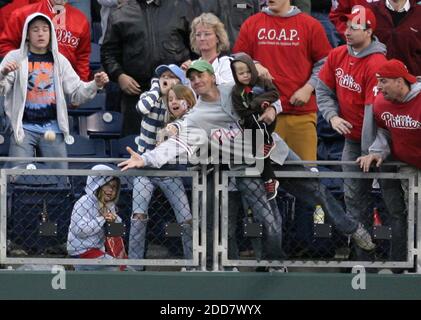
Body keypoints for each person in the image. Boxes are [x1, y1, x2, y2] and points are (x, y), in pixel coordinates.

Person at [119, 60, 376, 261]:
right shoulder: (196, 116)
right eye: (193, 78)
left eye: (201, 75)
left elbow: (274, 99)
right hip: (249, 168)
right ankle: (276, 264)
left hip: (276, 151)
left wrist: (272, 109)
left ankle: (354, 230)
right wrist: (145, 159)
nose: (197, 81)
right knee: (270, 222)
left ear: (212, 76)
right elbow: (177, 144)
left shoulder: (234, 91)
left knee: (317, 191)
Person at [316, 7, 404, 258]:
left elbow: (374, 116)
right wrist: (332, 116)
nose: (347, 31)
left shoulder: (376, 62)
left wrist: (370, 154)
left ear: (369, 31)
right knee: (354, 201)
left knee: (392, 205)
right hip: (353, 141)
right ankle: (362, 260)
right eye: (346, 25)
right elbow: (322, 90)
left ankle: (398, 263)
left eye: (355, 27)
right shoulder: (337, 54)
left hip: (384, 143)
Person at [0, 13, 109, 169]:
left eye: (45, 29)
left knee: (61, 178)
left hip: (53, 129)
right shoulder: (14, 57)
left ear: (51, 34)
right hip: (22, 129)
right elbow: (2, 90)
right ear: (27, 34)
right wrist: (2, 73)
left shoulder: (60, 60)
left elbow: (76, 93)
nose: (40, 33)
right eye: (35, 30)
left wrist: (94, 84)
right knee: (16, 176)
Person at [233, 0, 332, 162]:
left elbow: (326, 63)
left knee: (307, 178)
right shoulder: (252, 23)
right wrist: (254, 65)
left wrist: (308, 88)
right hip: (263, 116)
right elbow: (237, 57)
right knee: (265, 178)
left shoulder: (310, 25)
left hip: (300, 114)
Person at [129, 65, 193, 267]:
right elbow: (141, 108)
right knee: (138, 217)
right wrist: (158, 89)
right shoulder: (152, 96)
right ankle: (134, 265)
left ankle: (191, 262)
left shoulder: (179, 102)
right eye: (163, 76)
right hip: (143, 170)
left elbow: (188, 119)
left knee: (186, 219)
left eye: (172, 77)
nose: (166, 80)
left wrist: (172, 99)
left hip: (169, 171)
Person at [357, 59, 420, 261]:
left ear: (400, 82)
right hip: (409, 164)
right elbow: (385, 132)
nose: (378, 86)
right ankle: (413, 265)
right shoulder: (382, 103)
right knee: (414, 215)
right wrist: (376, 152)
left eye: (383, 81)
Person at [100, 0, 194, 135]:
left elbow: (196, 45)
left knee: (178, 146)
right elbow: (108, 53)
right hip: (136, 92)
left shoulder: (180, 7)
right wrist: (119, 76)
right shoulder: (120, 13)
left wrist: (191, 64)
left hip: (177, 92)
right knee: (135, 144)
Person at [0, 0, 91, 81]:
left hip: (65, 82)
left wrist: (81, 84)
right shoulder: (22, 14)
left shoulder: (81, 20)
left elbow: (82, 57)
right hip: (28, 81)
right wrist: (21, 70)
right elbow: (6, 45)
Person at [230, 52, 280, 200]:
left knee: (257, 123)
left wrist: (258, 103)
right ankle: (270, 180)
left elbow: (274, 93)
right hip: (251, 125)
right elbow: (241, 110)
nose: (245, 75)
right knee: (260, 155)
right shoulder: (236, 91)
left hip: (266, 121)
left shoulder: (262, 82)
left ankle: (268, 141)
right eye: (241, 73)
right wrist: (253, 107)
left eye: (248, 72)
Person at [67, 164, 122, 271]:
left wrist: (115, 221)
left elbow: (117, 233)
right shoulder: (83, 202)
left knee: (125, 268)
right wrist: (101, 219)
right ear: (97, 184)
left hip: (98, 250)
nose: (110, 190)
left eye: (114, 187)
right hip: (80, 251)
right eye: (107, 185)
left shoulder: (110, 205)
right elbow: (79, 231)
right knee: (115, 269)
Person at [181, 12, 233, 85]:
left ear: (218, 37)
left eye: (207, 34)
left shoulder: (226, 63)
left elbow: (229, 89)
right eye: (198, 35)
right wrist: (182, 74)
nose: (202, 38)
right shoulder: (192, 65)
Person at [191, 0, 260, 49]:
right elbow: (182, 27)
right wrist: (185, 58)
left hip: (242, 59)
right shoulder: (195, 2)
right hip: (209, 61)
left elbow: (258, 28)